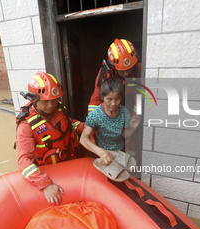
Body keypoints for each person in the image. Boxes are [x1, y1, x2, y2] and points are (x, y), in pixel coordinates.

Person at [15, 72, 84, 205]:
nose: (51, 105)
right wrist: (44, 184)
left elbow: (69, 123)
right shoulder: (26, 126)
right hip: (49, 172)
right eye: (46, 101)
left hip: (69, 164)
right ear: (35, 100)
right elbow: (23, 160)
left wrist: (81, 126)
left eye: (54, 100)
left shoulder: (58, 109)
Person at [81, 77, 141, 165]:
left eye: (117, 99)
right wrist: (101, 152)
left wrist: (132, 128)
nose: (113, 103)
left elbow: (124, 135)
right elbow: (83, 138)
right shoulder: (96, 114)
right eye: (109, 99)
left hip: (119, 154)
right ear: (102, 97)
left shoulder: (124, 112)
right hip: (100, 155)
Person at [88, 38, 141, 114]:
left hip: (130, 110)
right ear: (112, 66)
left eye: (129, 69)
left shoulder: (140, 70)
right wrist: (91, 120)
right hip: (112, 112)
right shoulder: (105, 73)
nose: (126, 73)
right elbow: (96, 99)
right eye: (122, 70)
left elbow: (140, 99)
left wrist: (135, 117)